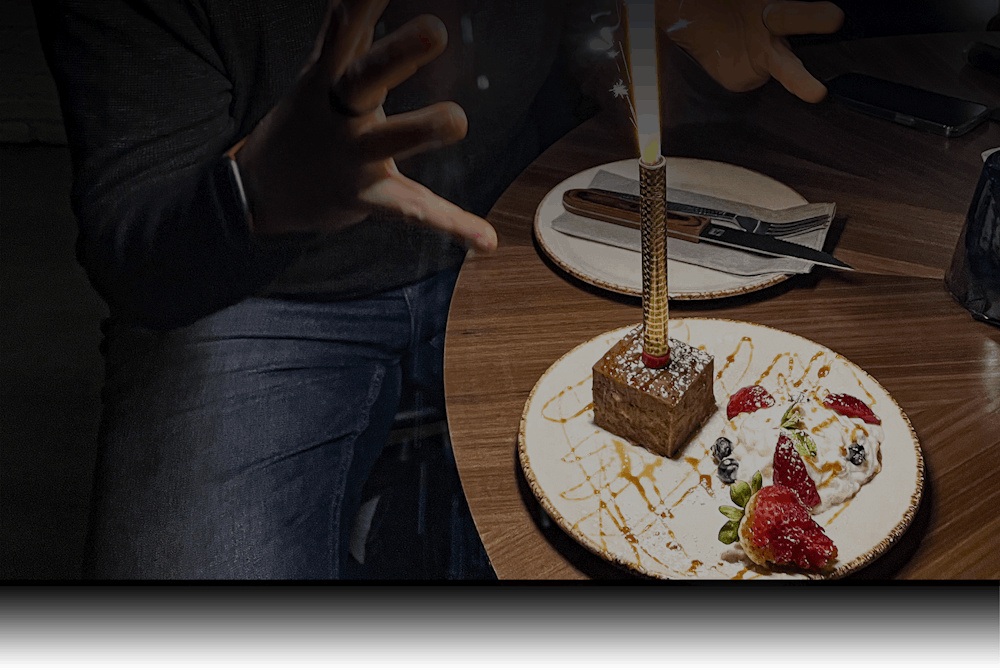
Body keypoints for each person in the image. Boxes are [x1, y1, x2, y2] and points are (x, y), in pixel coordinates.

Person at [34, 0, 844, 579]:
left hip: (510, 243)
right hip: (254, 304)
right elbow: (132, 256)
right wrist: (252, 199)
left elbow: (608, 68)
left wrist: (694, 71)